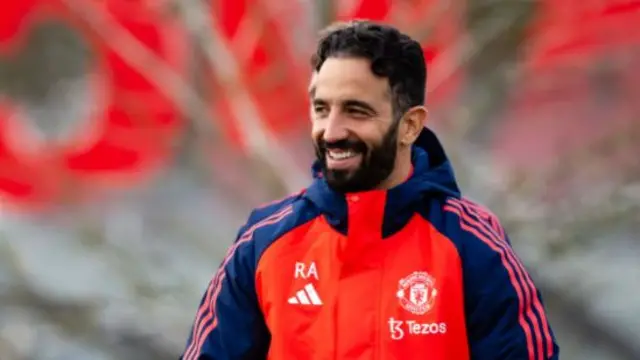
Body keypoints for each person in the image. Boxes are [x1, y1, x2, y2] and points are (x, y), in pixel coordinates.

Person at [181, 20, 559, 360]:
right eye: (322, 109)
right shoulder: (263, 243)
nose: (331, 131)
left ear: (410, 126)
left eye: (356, 111)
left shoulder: (471, 244)